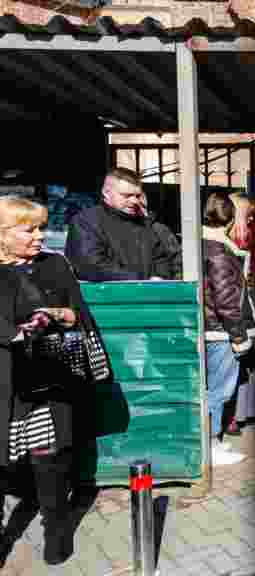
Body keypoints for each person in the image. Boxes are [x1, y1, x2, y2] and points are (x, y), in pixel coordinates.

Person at [0, 196, 90, 565]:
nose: (39, 236)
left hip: (47, 381)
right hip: (4, 383)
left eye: (40, 228)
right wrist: (16, 333)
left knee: (50, 461)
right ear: (2, 234)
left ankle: (57, 531)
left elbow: (79, 313)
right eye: (29, 229)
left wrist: (63, 315)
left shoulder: (55, 264)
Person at [201, 191, 253, 467]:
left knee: (212, 388)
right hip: (220, 332)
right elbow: (226, 301)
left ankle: (213, 441)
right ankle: (211, 444)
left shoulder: (202, 245)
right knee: (220, 390)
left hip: (210, 328)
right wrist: (239, 337)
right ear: (230, 220)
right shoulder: (220, 252)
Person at [65, 168, 167, 282]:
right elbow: (90, 265)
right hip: (105, 296)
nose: (134, 201)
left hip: (147, 294)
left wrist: (159, 277)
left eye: (137, 196)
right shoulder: (86, 222)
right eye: (127, 195)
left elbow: (160, 258)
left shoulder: (143, 223)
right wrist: (139, 280)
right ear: (106, 193)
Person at [224, 194, 255, 437]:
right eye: (248, 214)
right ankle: (232, 416)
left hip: (244, 306)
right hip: (239, 308)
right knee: (236, 364)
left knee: (240, 364)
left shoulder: (242, 239)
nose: (252, 219)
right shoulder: (237, 242)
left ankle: (235, 415)